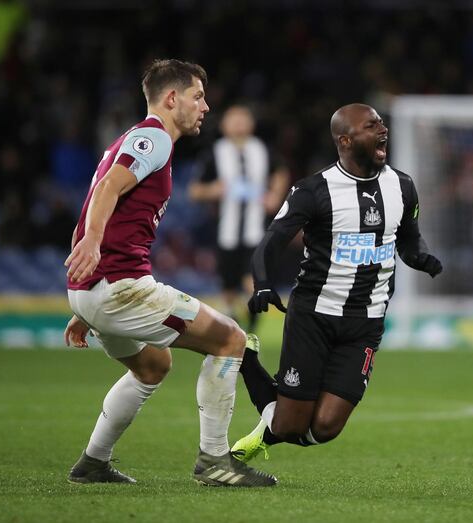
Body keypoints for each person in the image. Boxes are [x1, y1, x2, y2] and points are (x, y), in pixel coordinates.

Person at [62, 59, 276, 487]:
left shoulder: (128, 142)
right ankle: (215, 461)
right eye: (198, 96)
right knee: (230, 339)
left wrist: (84, 294)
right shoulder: (153, 137)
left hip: (92, 291)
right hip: (120, 287)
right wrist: (93, 245)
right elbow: (106, 192)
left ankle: (92, 463)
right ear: (171, 98)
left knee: (152, 365)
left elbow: (93, 205)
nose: (205, 106)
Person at [229, 103, 442, 462]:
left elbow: (408, 239)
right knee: (289, 426)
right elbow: (270, 243)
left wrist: (421, 258)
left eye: (381, 123)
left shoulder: (403, 186)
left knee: (324, 427)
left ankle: (268, 422)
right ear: (345, 139)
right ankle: (245, 358)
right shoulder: (314, 190)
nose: (383, 129)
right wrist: (262, 284)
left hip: (367, 321)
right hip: (314, 316)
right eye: (371, 125)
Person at [188, 104, 290, 333]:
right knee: (229, 286)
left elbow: (281, 171)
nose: (238, 124)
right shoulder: (214, 153)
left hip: (257, 229)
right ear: (223, 125)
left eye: (243, 118)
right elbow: (194, 191)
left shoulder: (262, 150)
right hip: (227, 230)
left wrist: (275, 195)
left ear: (251, 124)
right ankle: (234, 326)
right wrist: (213, 190)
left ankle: (252, 328)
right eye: (233, 119)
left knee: (252, 278)